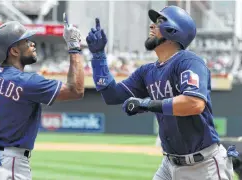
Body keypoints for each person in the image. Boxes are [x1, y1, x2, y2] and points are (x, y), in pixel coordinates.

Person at [86, 5, 238, 180]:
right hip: (169, 165)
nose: (152, 26)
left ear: (174, 30)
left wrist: (147, 104)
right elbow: (111, 95)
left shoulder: (189, 61)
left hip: (203, 166)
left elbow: (194, 103)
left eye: (159, 22)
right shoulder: (147, 71)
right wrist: (98, 57)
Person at [0, 13, 84, 180]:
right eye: (26, 42)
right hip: (11, 163)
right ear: (13, 51)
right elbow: (76, 90)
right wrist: (74, 47)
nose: (32, 44)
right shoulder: (26, 81)